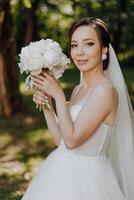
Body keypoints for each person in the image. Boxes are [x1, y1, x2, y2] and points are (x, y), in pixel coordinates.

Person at [21, 17, 134, 200]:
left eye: (89, 44)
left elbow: (73, 141)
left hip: (88, 181)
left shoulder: (106, 91)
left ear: (104, 50)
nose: (79, 52)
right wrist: (47, 104)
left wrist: (58, 95)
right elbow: (63, 143)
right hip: (60, 170)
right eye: (74, 45)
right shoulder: (79, 89)